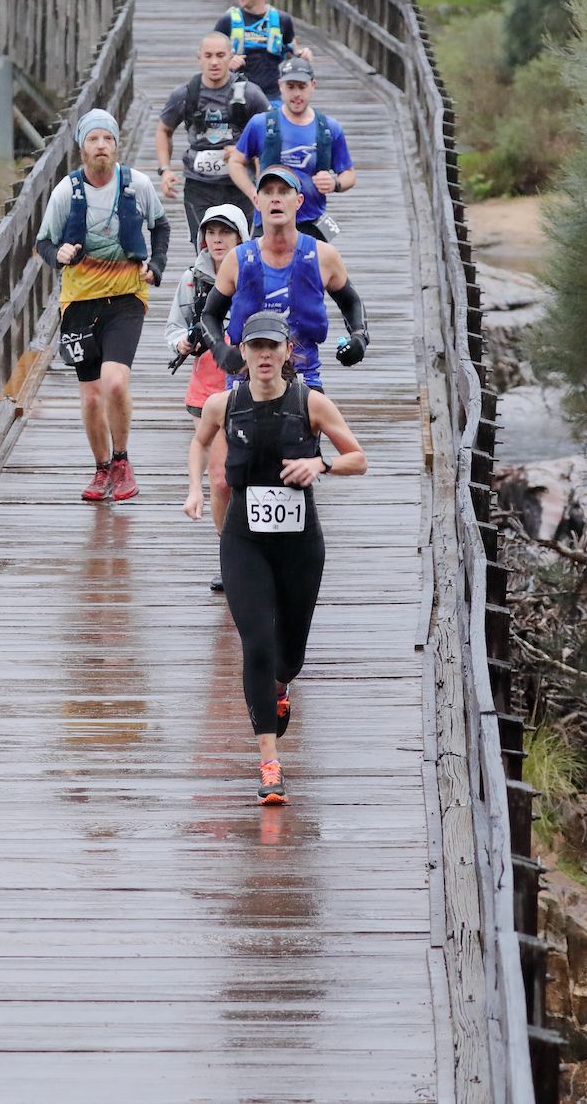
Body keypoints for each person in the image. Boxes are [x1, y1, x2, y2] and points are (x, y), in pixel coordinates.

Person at [183, 310, 367, 804]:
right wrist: (195, 490)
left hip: (300, 545)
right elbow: (199, 444)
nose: (264, 356)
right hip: (244, 540)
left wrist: (321, 463)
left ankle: (282, 684)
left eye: (273, 347)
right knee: (257, 645)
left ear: (287, 353)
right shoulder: (224, 404)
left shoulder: (311, 403)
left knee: (288, 655)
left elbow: (359, 457)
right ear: (241, 353)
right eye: (255, 347)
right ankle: (269, 764)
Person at [33, 108, 171, 503]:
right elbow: (43, 242)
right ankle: (101, 468)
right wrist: (57, 254)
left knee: (114, 382)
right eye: (93, 139)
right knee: (91, 396)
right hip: (78, 301)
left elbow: (160, 226)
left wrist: (156, 266)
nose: (101, 146)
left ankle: (123, 460)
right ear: (82, 148)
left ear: (115, 146)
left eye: (107, 139)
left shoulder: (136, 185)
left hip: (126, 297)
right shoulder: (66, 192)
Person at [198, 165, 369, 391]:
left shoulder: (323, 256)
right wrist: (220, 350)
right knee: (214, 419)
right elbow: (210, 314)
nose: (275, 199)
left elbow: (351, 302)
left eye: (283, 192)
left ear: (298, 201)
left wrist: (359, 338)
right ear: (257, 202)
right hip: (246, 379)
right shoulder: (237, 260)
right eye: (268, 192)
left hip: (302, 376)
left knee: (328, 422)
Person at [164, 202, 250, 590]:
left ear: (240, 237)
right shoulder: (192, 279)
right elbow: (173, 328)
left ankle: (258, 548)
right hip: (206, 387)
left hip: (251, 385)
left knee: (248, 471)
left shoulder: (255, 273)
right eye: (211, 233)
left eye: (225, 233)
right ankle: (230, 556)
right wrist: (183, 342)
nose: (217, 240)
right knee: (220, 478)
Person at [155, 31, 267, 251]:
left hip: (239, 186)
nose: (214, 62)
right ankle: (205, 286)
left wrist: (243, 152)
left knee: (243, 248)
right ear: (200, 58)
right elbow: (163, 130)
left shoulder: (251, 95)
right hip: (199, 186)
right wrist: (165, 170)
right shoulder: (186, 94)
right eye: (208, 55)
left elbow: (270, 136)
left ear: (230, 57)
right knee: (205, 249)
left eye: (220, 55)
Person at [227, 56, 355, 242]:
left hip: (311, 223)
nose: (296, 94)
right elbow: (236, 162)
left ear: (313, 85)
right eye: (290, 87)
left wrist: (335, 183)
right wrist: (253, 193)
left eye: (302, 87)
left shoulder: (329, 128)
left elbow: (349, 174)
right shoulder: (261, 124)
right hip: (269, 223)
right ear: (280, 86)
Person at [213, 0, 312, 101]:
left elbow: (292, 54)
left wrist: (302, 55)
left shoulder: (282, 20)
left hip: (272, 96)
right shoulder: (227, 21)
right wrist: (227, 62)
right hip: (237, 95)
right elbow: (208, 59)